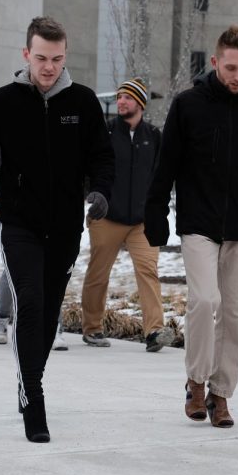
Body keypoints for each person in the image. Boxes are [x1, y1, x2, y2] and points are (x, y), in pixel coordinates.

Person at [0, 16, 114, 443]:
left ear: (65, 56)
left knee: (49, 311)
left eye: (57, 59)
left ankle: (28, 381)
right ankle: (34, 399)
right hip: (19, 223)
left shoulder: (83, 102)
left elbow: (102, 156)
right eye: (41, 58)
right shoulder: (3, 102)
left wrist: (100, 191)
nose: (48, 67)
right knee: (31, 304)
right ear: (27, 55)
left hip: (64, 228)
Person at [145, 25, 238, 428]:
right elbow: (165, 167)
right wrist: (156, 217)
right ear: (215, 62)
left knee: (233, 314)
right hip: (198, 224)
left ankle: (220, 395)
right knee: (205, 301)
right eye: (230, 67)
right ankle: (195, 380)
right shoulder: (188, 105)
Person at [80, 77, 173, 352]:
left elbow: (161, 177)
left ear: (140, 103)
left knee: (148, 271)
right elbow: (89, 168)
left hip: (142, 222)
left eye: (128, 97)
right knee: (98, 273)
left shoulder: (154, 137)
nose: (121, 101)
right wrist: (93, 197)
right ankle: (92, 328)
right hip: (106, 217)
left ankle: (154, 331)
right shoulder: (105, 133)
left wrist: (157, 211)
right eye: (119, 97)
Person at [0, 152, 69, 351]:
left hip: (52, 210)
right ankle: (1, 317)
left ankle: (53, 326)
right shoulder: (13, 129)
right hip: (17, 211)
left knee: (52, 269)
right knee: (15, 269)